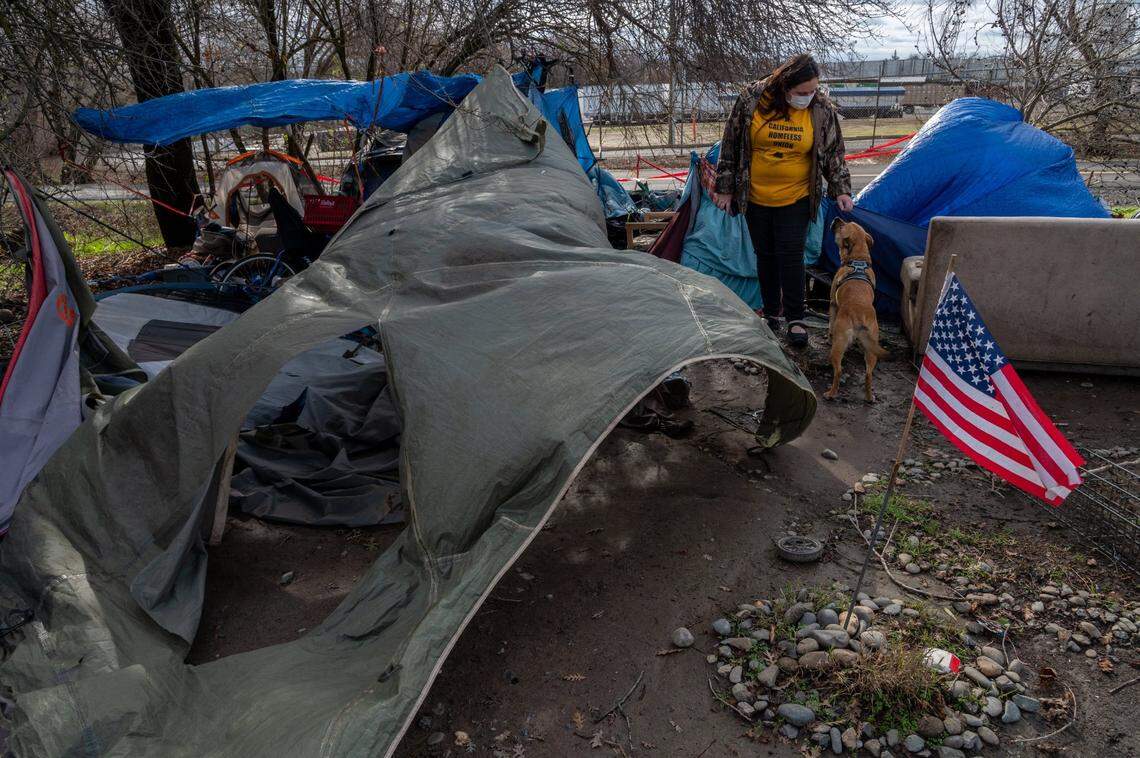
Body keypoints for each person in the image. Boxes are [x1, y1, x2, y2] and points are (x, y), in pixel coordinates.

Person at [713, 54, 853, 348]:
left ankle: (795, 317)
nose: (808, 96)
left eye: (813, 90)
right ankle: (771, 314)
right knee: (765, 255)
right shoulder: (752, 99)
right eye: (802, 92)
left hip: (797, 196)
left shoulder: (820, 108)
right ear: (784, 85)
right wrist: (724, 187)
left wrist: (840, 188)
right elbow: (731, 143)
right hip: (756, 196)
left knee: (790, 255)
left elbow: (833, 152)